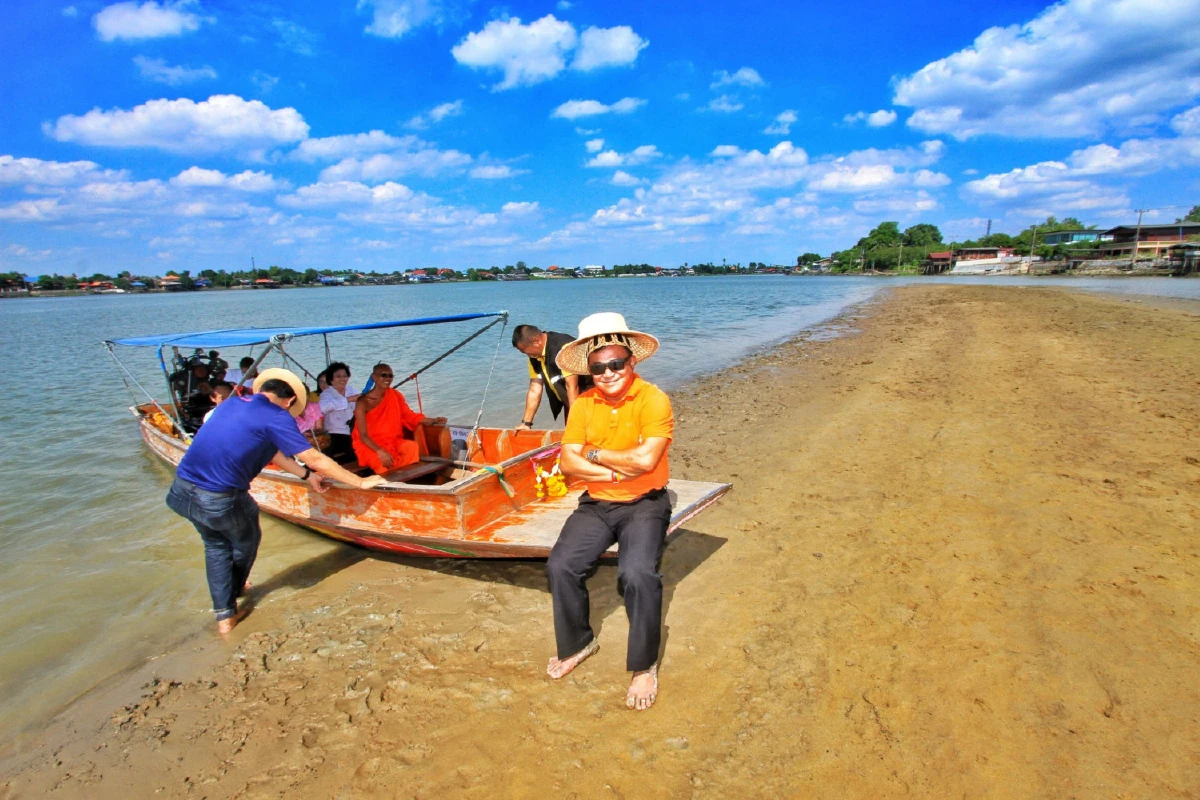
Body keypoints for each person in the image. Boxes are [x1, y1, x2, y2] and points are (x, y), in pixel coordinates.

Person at [166, 368, 385, 635]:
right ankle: (229, 605)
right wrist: (360, 482)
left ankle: (227, 604)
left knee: (215, 545)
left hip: (181, 490)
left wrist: (307, 476)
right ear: (290, 400)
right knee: (244, 541)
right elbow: (315, 457)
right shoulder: (277, 416)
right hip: (220, 497)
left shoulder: (234, 402)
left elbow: (274, 451)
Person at [544, 313, 672, 711]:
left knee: (637, 574)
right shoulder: (583, 404)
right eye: (599, 368)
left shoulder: (654, 398)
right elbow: (567, 463)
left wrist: (594, 455)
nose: (608, 373)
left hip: (646, 504)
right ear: (590, 371)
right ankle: (579, 643)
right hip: (597, 503)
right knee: (561, 565)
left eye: (616, 364)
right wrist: (618, 467)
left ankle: (644, 665)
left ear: (631, 362)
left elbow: (647, 460)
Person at [352, 363, 446, 474]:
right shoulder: (363, 402)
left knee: (412, 447)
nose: (387, 379)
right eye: (384, 375)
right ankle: (388, 482)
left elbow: (409, 416)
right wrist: (380, 451)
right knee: (380, 461)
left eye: (390, 376)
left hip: (392, 441)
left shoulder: (394, 395)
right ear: (374, 377)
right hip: (370, 444)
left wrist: (432, 420)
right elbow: (363, 436)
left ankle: (404, 476)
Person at [512, 324, 593, 430]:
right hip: (570, 402)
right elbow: (534, 389)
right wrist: (526, 423)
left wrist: (575, 423)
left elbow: (572, 387)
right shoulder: (534, 357)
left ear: (536, 341)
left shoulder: (563, 348)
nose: (526, 354)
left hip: (590, 401)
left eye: (525, 351)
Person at [319, 362, 359, 464]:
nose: (342, 379)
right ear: (331, 380)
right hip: (335, 433)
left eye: (345, 376)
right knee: (353, 448)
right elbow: (323, 408)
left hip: (353, 429)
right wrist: (349, 400)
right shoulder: (326, 394)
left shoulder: (351, 390)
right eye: (338, 376)